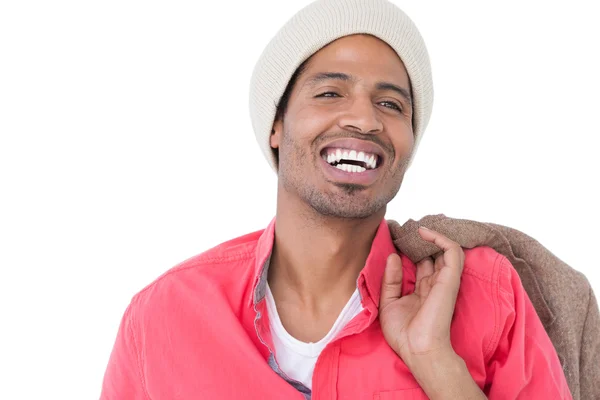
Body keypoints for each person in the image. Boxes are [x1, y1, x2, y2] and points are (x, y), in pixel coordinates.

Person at [101, 0, 571, 398]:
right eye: (329, 92)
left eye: (391, 105)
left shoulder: (487, 295)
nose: (364, 120)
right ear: (275, 126)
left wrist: (438, 365)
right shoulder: (162, 317)